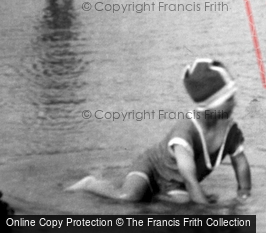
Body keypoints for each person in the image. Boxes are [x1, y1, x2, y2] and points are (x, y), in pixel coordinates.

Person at [66, 59, 253, 203]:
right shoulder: (186, 131)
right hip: (152, 168)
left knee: (182, 206)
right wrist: (205, 208)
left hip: (174, 183)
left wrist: (244, 195)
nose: (235, 103)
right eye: (228, 99)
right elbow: (190, 179)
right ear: (210, 104)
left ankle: (157, 197)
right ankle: (90, 183)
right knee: (129, 197)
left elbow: (241, 164)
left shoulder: (230, 130)